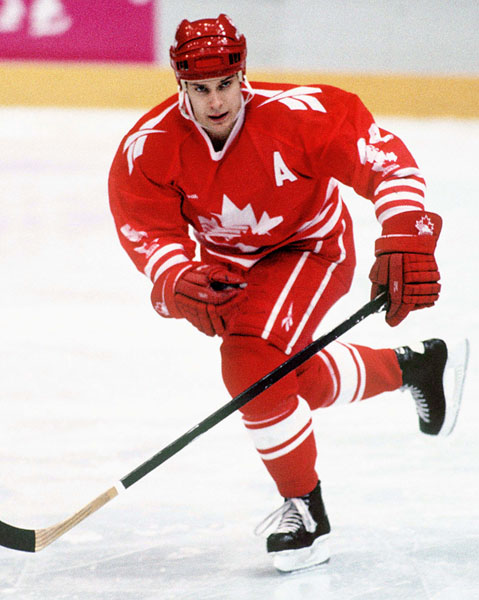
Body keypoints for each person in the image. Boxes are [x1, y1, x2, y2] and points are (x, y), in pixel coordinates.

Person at [108, 14, 468, 572]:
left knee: (250, 362)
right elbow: (147, 228)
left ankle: (305, 509)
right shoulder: (148, 148)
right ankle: (414, 367)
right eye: (200, 90)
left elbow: (384, 160)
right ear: (181, 85)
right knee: (283, 377)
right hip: (231, 273)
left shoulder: (299, 115)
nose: (216, 102)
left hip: (311, 250)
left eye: (225, 84)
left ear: (241, 74)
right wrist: (177, 276)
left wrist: (403, 230)